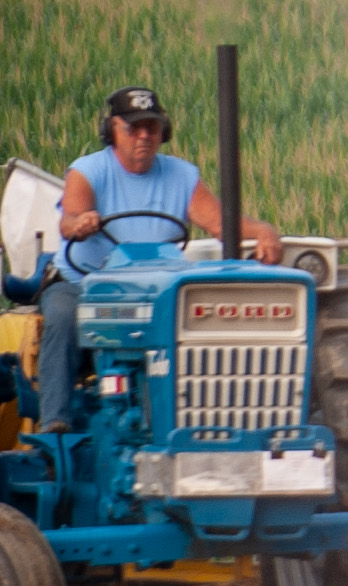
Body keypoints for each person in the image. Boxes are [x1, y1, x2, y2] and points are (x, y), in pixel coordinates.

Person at [40, 86, 280, 426]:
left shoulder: (182, 175)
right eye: (133, 128)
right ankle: (55, 423)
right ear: (112, 131)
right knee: (63, 314)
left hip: (156, 292)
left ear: (162, 132)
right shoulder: (88, 170)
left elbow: (220, 224)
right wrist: (80, 222)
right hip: (87, 284)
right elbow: (69, 221)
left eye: (151, 127)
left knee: (209, 316)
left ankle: (210, 416)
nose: (143, 136)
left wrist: (265, 231)